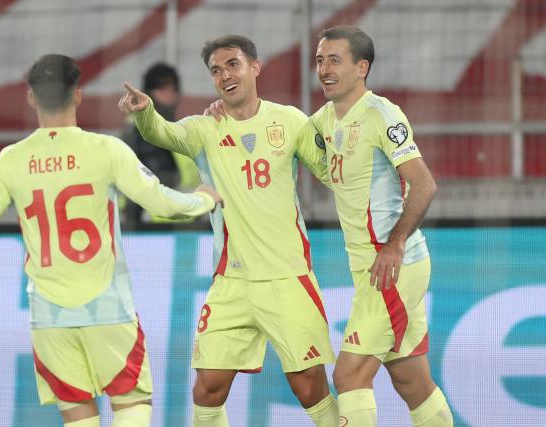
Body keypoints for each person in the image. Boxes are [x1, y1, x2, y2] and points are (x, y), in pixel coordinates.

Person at [0, 54, 222, 427]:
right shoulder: (105, 150)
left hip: (49, 317)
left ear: (31, 97)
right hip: (108, 309)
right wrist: (205, 198)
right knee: (131, 403)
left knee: (78, 414)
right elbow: (161, 200)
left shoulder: (10, 160)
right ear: (78, 95)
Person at [119, 35, 338, 427]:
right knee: (208, 388)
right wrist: (145, 112)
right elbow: (163, 134)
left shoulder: (289, 121)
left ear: (255, 67)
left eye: (233, 65)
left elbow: (329, 170)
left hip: (287, 275)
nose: (225, 76)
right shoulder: (205, 127)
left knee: (309, 386)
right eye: (216, 71)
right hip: (231, 280)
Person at [308, 26, 453, 426]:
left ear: (362, 67)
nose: (324, 69)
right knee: (411, 381)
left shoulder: (381, 114)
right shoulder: (321, 121)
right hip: (369, 269)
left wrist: (394, 244)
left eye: (334, 60)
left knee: (349, 374)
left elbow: (424, 183)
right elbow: (279, 138)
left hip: (390, 268)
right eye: (320, 60)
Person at [121, 62, 200, 224]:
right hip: (147, 228)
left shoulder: (180, 129)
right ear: (148, 92)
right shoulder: (136, 134)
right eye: (162, 88)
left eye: (174, 89)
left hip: (186, 224)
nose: (170, 94)